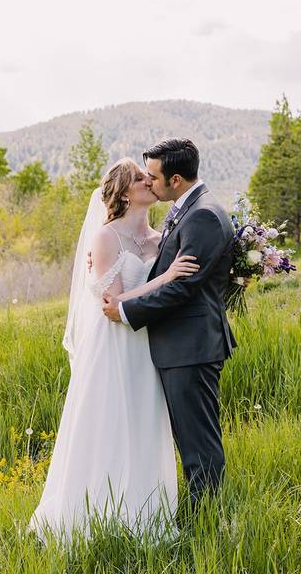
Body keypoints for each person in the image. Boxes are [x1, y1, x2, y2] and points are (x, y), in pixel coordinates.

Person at [28, 157, 199, 543]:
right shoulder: (106, 238)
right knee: (109, 423)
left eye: (148, 177)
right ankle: (94, 516)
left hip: (149, 345)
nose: (149, 182)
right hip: (113, 345)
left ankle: (144, 513)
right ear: (123, 191)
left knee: (143, 424)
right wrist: (167, 277)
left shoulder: (160, 238)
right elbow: (113, 303)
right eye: (140, 179)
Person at [103, 138, 236, 511]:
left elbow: (182, 288)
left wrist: (126, 312)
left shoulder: (203, 215)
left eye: (154, 175)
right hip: (180, 345)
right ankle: (201, 512)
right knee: (189, 439)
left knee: (198, 444)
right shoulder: (189, 208)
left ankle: (208, 518)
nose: (148, 180)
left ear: (175, 179)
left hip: (190, 346)